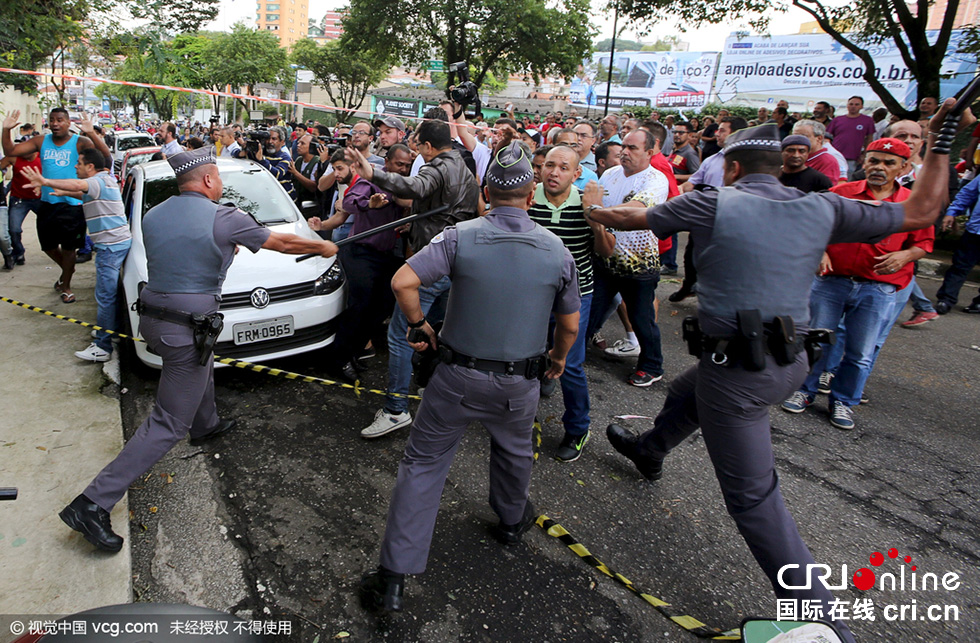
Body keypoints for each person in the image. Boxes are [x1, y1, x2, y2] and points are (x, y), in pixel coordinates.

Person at [587, 104, 963, 642]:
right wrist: (944, 139)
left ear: (733, 168)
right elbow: (925, 210)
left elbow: (631, 219)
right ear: (776, 167)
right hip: (791, 362)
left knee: (754, 500)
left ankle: (823, 623)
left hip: (736, 374)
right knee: (685, 390)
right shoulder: (823, 206)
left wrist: (596, 208)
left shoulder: (715, 201)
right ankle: (650, 449)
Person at [58, 148, 339, 553]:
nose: (221, 185)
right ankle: (93, 503)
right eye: (219, 179)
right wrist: (322, 248)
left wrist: (223, 249)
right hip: (187, 325)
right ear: (208, 181)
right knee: (169, 421)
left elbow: (183, 251)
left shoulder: (154, 215)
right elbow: (281, 242)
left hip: (156, 318)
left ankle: (205, 423)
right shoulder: (224, 216)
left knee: (195, 363)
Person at [358, 142, 579, 613]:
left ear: (485, 191)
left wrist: (419, 325)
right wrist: (557, 360)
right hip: (519, 382)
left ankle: (393, 578)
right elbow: (570, 325)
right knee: (515, 452)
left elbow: (403, 282)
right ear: (532, 192)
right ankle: (511, 521)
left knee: (423, 465)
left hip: (456, 377)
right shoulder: (556, 250)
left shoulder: (461, 236)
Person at [781, 138, 932, 430]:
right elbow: (812, 226)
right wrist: (820, 249)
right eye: (874, 160)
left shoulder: (911, 204)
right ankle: (803, 391)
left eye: (889, 163)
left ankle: (843, 401)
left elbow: (924, 243)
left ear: (903, 166)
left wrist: (906, 255)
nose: (879, 168)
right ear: (864, 162)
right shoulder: (841, 194)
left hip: (878, 288)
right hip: (831, 283)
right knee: (816, 341)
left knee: (860, 352)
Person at [347, 119, 480, 439]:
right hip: (454, 263)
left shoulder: (438, 167)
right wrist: (420, 225)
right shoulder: (464, 168)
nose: (417, 150)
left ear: (429, 147)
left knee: (401, 335)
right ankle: (436, 389)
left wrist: (373, 174)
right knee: (439, 333)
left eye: (419, 145)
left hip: (431, 266)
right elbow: (461, 213)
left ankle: (396, 409)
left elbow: (417, 187)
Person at [527, 144, 611, 460]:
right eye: (549, 165)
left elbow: (606, 251)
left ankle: (577, 428)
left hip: (577, 294)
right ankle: (520, 418)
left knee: (571, 364)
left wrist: (595, 218)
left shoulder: (586, 203)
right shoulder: (529, 196)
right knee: (528, 355)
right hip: (534, 293)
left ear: (576, 174)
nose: (554, 172)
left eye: (563, 167)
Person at [22, 148, 133, 362]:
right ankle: (110, 331)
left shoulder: (96, 182)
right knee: (110, 295)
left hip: (109, 248)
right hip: (116, 244)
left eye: (79, 163)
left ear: (90, 167)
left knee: (105, 297)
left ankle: (102, 346)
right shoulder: (105, 180)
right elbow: (83, 192)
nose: (75, 166)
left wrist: (45, 181)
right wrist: (64, 193)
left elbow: (80, 185)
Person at [323, 144, 414, 388]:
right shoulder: (370, 179)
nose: (403, 169)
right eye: (399, 165)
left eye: (407, 165)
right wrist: (369, 204)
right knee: (358, 306)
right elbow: (350, 202)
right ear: (388, 163)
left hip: (385, 256)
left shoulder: (403, 185)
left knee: (383, 304)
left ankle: (353, 351)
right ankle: (339, 358)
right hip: (360, 253)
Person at [2, 108, 112, 303]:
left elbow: (106, 159)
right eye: (52, 120)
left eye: (60, 120)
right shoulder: (41, 141)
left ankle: (66, 286)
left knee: (69, 249)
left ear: (68, 122)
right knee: (48, 246)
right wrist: (6, 130)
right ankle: (67, 269)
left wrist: (92, 133)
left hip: (72, 204)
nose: (55, 123)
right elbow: (11, 151)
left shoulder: (79, 142)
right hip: (46, 202)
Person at [587, 129, 669, 387]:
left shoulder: (656, 180)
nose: (625, 152)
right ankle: (573, 354)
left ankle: (652, 365)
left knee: (641, 318)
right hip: (605, 259)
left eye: (633, 148)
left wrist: (594, 211)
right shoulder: (610, 174)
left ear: (650, 152)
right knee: (589, 311)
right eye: (624, 146)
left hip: (639, 264)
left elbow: (633, 212)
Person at [670, 117, 748, 303]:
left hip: (731, 221)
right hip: (705, 219)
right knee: (692, 255)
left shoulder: (748, 161)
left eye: (722, 130)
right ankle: (689, 286)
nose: (716, 134)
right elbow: (693, 182)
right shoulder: (713, 159)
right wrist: (676, 193)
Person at [935, 173, 980, 314]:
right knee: (960, 266)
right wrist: (952, 213)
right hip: (976, 232)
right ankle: (946, 300)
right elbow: (967, 193)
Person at [1, 142, 41, 266]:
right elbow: (1, 165)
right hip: (19, 199)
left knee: (53, 225)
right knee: (13, 229)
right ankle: (18, 252)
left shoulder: (43, 157)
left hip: (40, 198)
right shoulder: (14, 157)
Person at [826, 96, 875, 178]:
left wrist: (865, 154)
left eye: (856, 104)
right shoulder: (838, 120)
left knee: (847, 178)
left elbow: (869, 139)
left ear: (861, 106)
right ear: (847, 105)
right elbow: (828, 136)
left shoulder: (867, 120)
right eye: (851, 104)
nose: (853, 106)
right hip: (835, 155)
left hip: (853, 157)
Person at [793, 119, 843, 185]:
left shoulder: (828, 161)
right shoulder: (791, 156)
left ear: (819, 138)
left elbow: (826, 190)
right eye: (794, 136)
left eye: (804, 136)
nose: (798, 140)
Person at [288, 133, 321, 217]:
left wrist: (295, 173)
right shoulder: (299, 160)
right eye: (298, 143)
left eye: (302, 143)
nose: (298, 145)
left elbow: (313, 187)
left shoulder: (317, 162)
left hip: (311, 208)